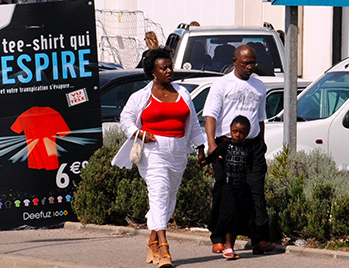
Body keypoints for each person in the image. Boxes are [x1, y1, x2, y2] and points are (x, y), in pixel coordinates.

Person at [112, 47, 206, 268]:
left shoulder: (183, 93)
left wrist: (201, 148)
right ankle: (164, 248)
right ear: (153, 72)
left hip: (179, 151)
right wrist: (139, 133)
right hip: (153, 153)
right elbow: (126, 119)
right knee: (159, 194)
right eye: (163, 68)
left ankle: (152, 240)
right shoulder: (141, 96)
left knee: (169, 198)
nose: (168, 71)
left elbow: (192, 124)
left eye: (170, 67)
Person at [203, 45, 276, 256]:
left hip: (252, 146)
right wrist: (212, 143)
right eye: (245, 63)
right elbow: (211, 115)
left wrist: (261, 143)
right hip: (226, 144)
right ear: (235, 61)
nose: (250, 67)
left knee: (255, 193)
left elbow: (260, 117)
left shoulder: (259, 86)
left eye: (253, 62)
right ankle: (219, 238)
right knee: (224, 192)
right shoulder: (221, 84)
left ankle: (259, 239)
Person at [205, 115, 255, 260]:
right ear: (230, 131)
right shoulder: (225, 146)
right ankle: (227, 247)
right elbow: (212, 157)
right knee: (229, 216)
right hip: (228, 188)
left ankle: (230, 246)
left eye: (241, 133)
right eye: (235, 132)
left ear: (246, 134)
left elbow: (249, 167)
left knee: (238, 218)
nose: (237, 135)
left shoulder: (248, 149)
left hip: (241, 189)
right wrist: (203, 160)